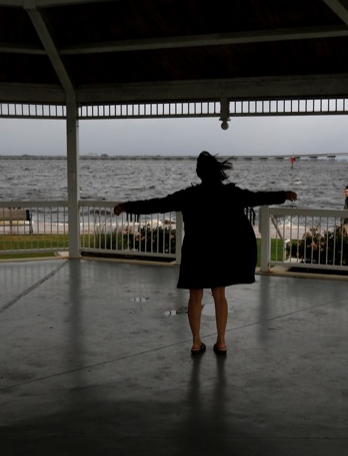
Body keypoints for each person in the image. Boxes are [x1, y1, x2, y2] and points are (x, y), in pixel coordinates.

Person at [113, 152, 297, 356]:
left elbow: (158, 204)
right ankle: (221, 342)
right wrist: (284, 195)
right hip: (219, 251)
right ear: (217, 172)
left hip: (195, 250)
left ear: (199, 173)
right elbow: (256, 197)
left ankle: (196, 342)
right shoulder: (230, 193)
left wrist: (126, 206)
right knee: (219, 296)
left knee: (194, 297)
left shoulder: (189, 195)